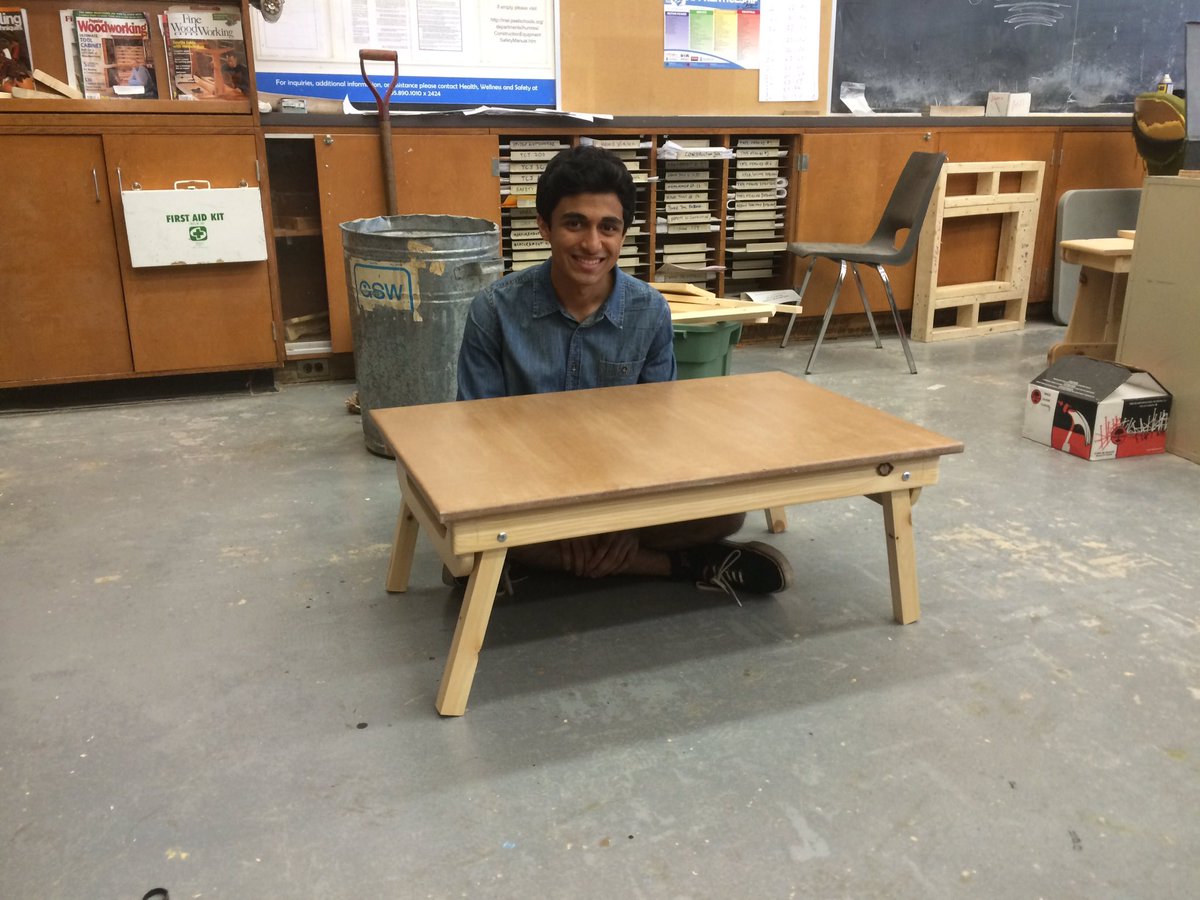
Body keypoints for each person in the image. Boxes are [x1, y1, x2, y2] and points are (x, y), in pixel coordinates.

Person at [454, 145, 793, 601]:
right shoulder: (494, 310)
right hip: (524, 488)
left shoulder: (649, 310)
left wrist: (617, 521)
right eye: (575, 223)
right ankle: (676, 566)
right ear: (544, 228)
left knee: (726, 513)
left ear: (622, 234)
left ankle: (525, 565)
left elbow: (655, 432)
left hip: (620, 487)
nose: (592, 244)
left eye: (607, 227)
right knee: (461, 518)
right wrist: (564, 518)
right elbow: (481, 435)